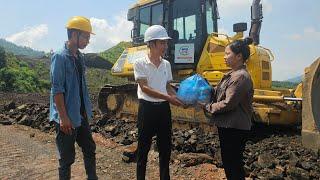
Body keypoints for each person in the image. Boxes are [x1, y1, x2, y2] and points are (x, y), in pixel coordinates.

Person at [49, 16, 98, 180]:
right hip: (67, 118)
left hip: (81, 115)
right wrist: (63, 118)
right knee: (66, 159)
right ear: (74, 34)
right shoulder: (60, 57)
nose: (88, 41)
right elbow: (57, 90)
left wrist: (86, 112)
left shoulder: (79, 57)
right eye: (86, 37)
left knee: (90, 148)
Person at [134, 25, 184, 180]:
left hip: (163, 110)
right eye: (162, 43)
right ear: (152, 43)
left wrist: (179, 98)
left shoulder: (166, 64)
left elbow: (167, 86)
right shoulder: (140, 63)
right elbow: (145, 88)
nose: (165, 46)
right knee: (143, 149)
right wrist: (169, 98)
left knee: (165, 149)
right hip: (147, 109)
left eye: (165, 43)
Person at [201, 37, 254, 180]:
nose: (224, 57)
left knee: (233, 165)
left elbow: (228, 103)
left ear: (239, 56)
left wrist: (207, 106)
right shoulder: (232, 74)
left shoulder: (240, 77)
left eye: (227, 54)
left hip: (235, 128)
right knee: (230, 164)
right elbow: (220, 92)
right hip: (229, 126)